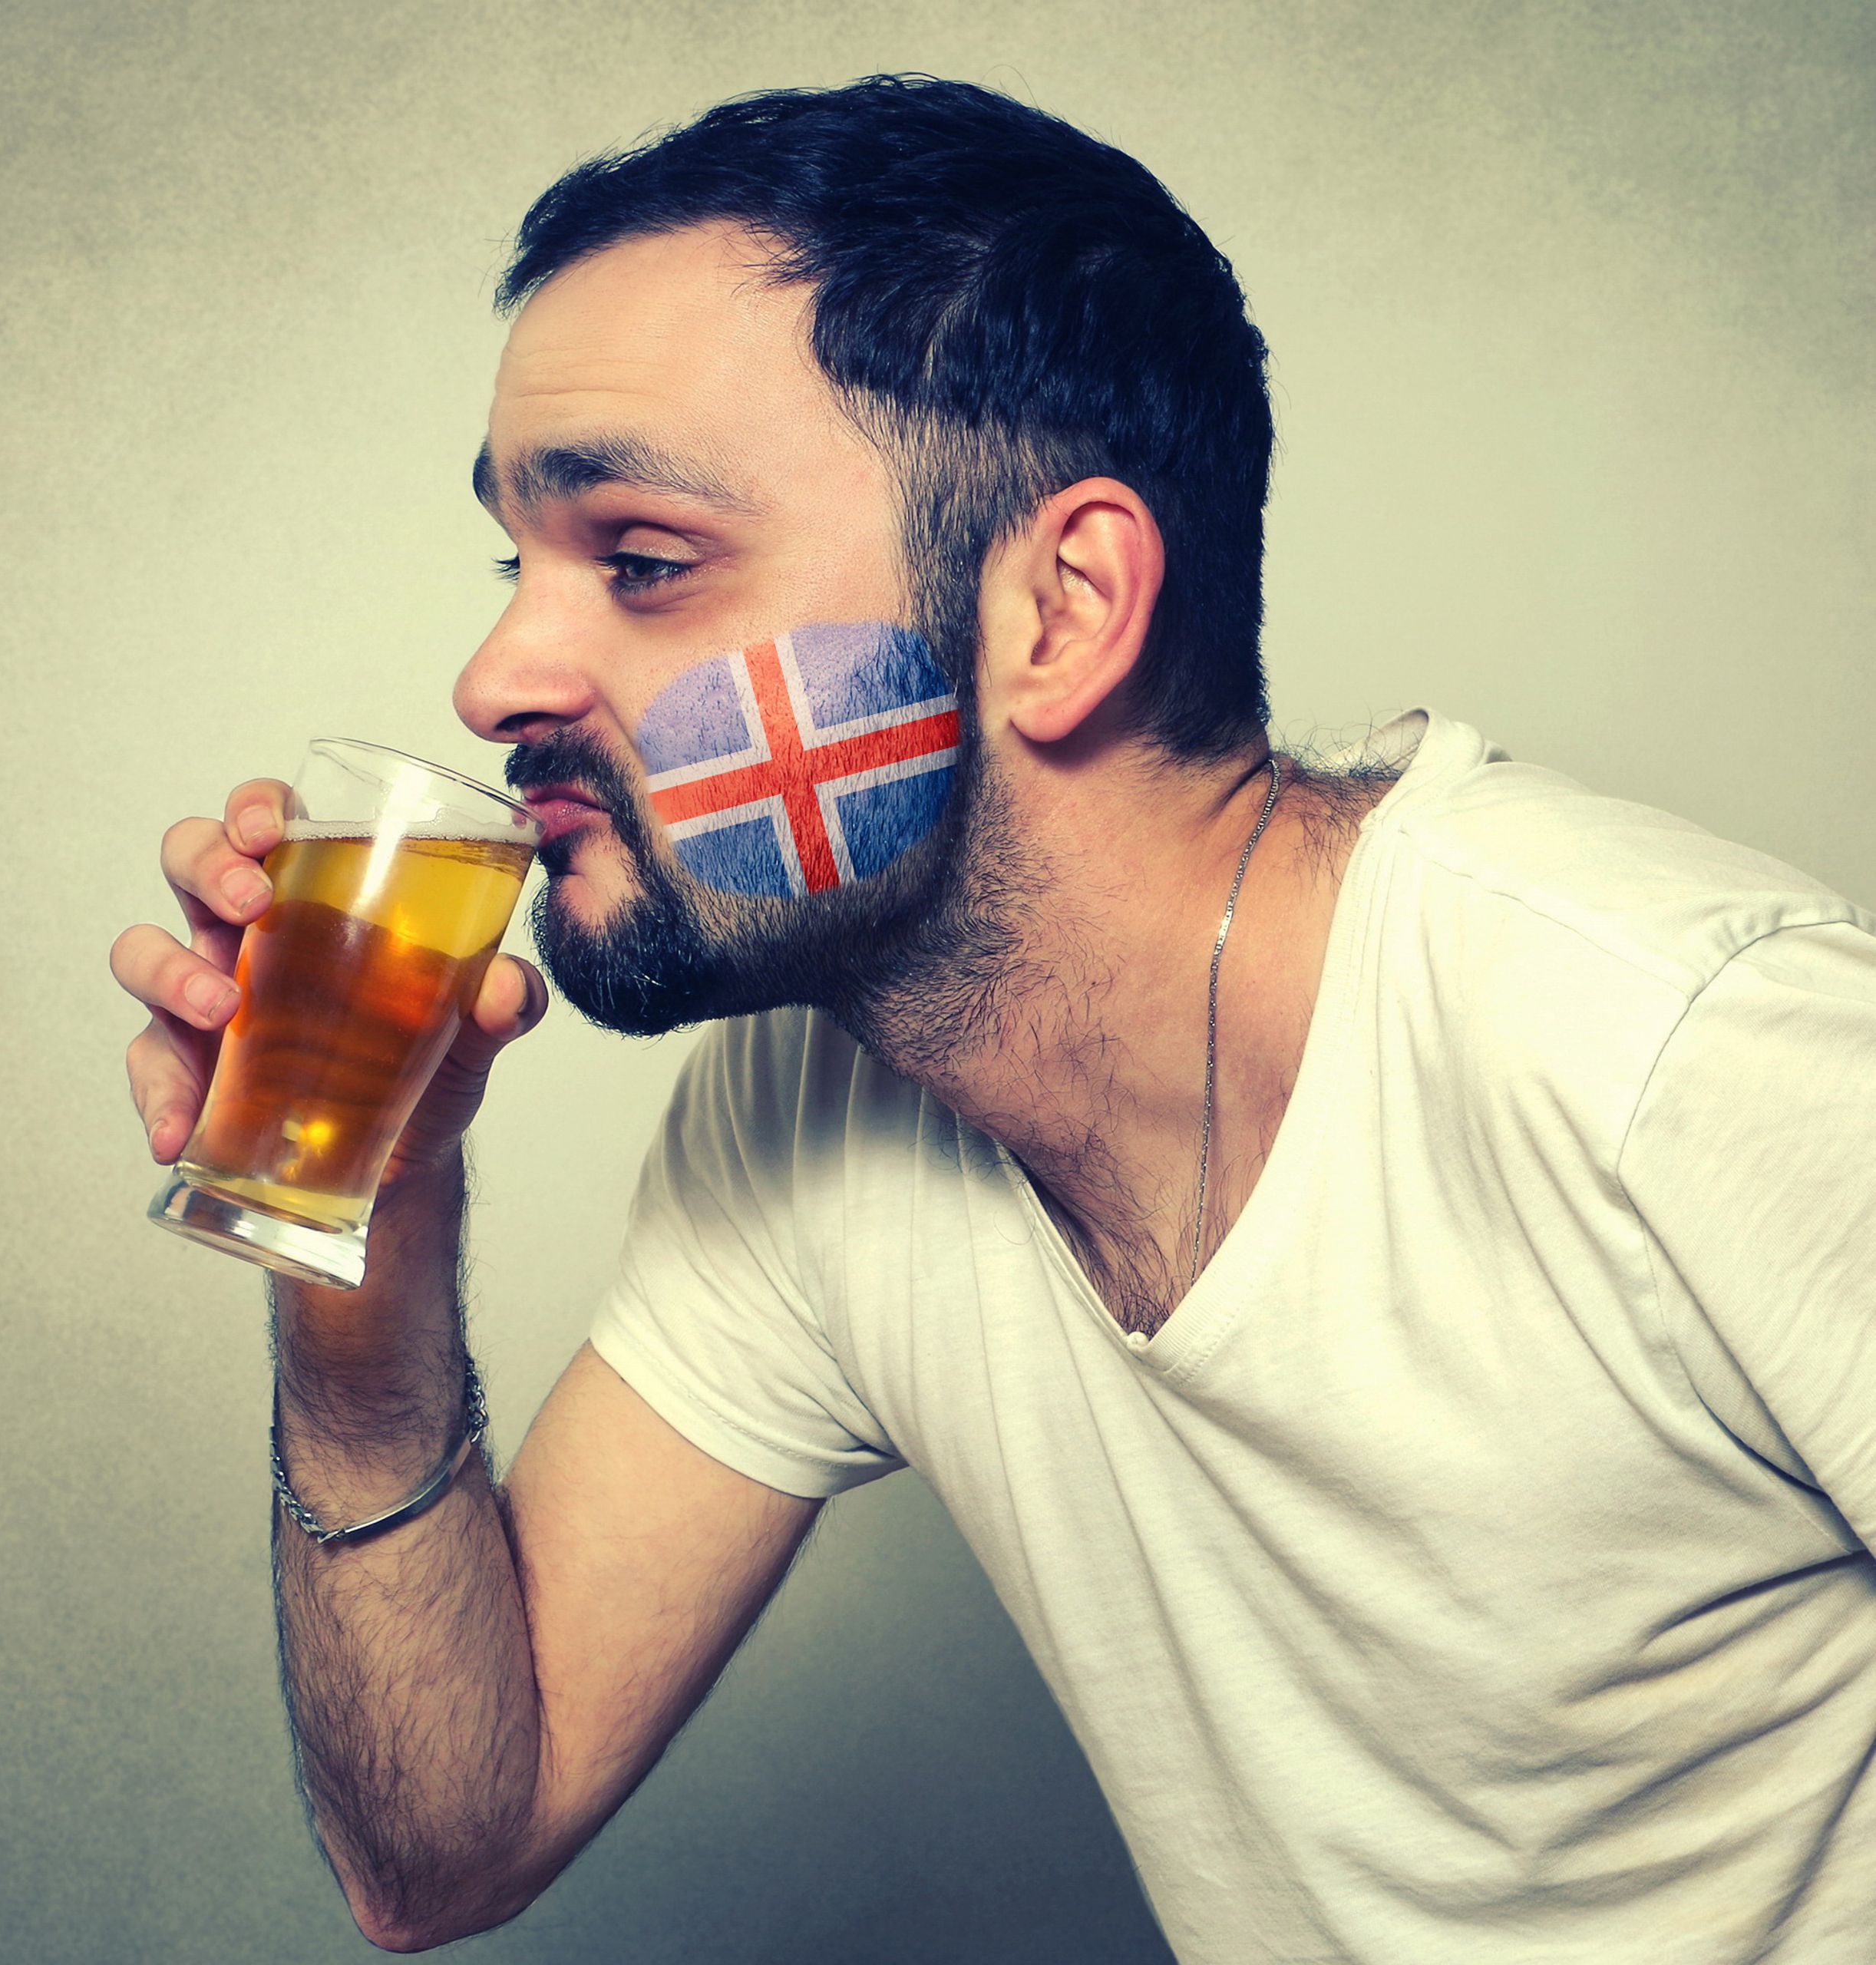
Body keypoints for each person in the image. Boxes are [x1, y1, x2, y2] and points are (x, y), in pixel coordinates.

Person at [107, 77, 1876, 1963]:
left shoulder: (1680, 1045)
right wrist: (358, 1250)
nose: (492, 675)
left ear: (1063, 605)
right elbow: (438, 1851)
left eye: (639, 559)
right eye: (513, 565)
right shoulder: (805, 1107)